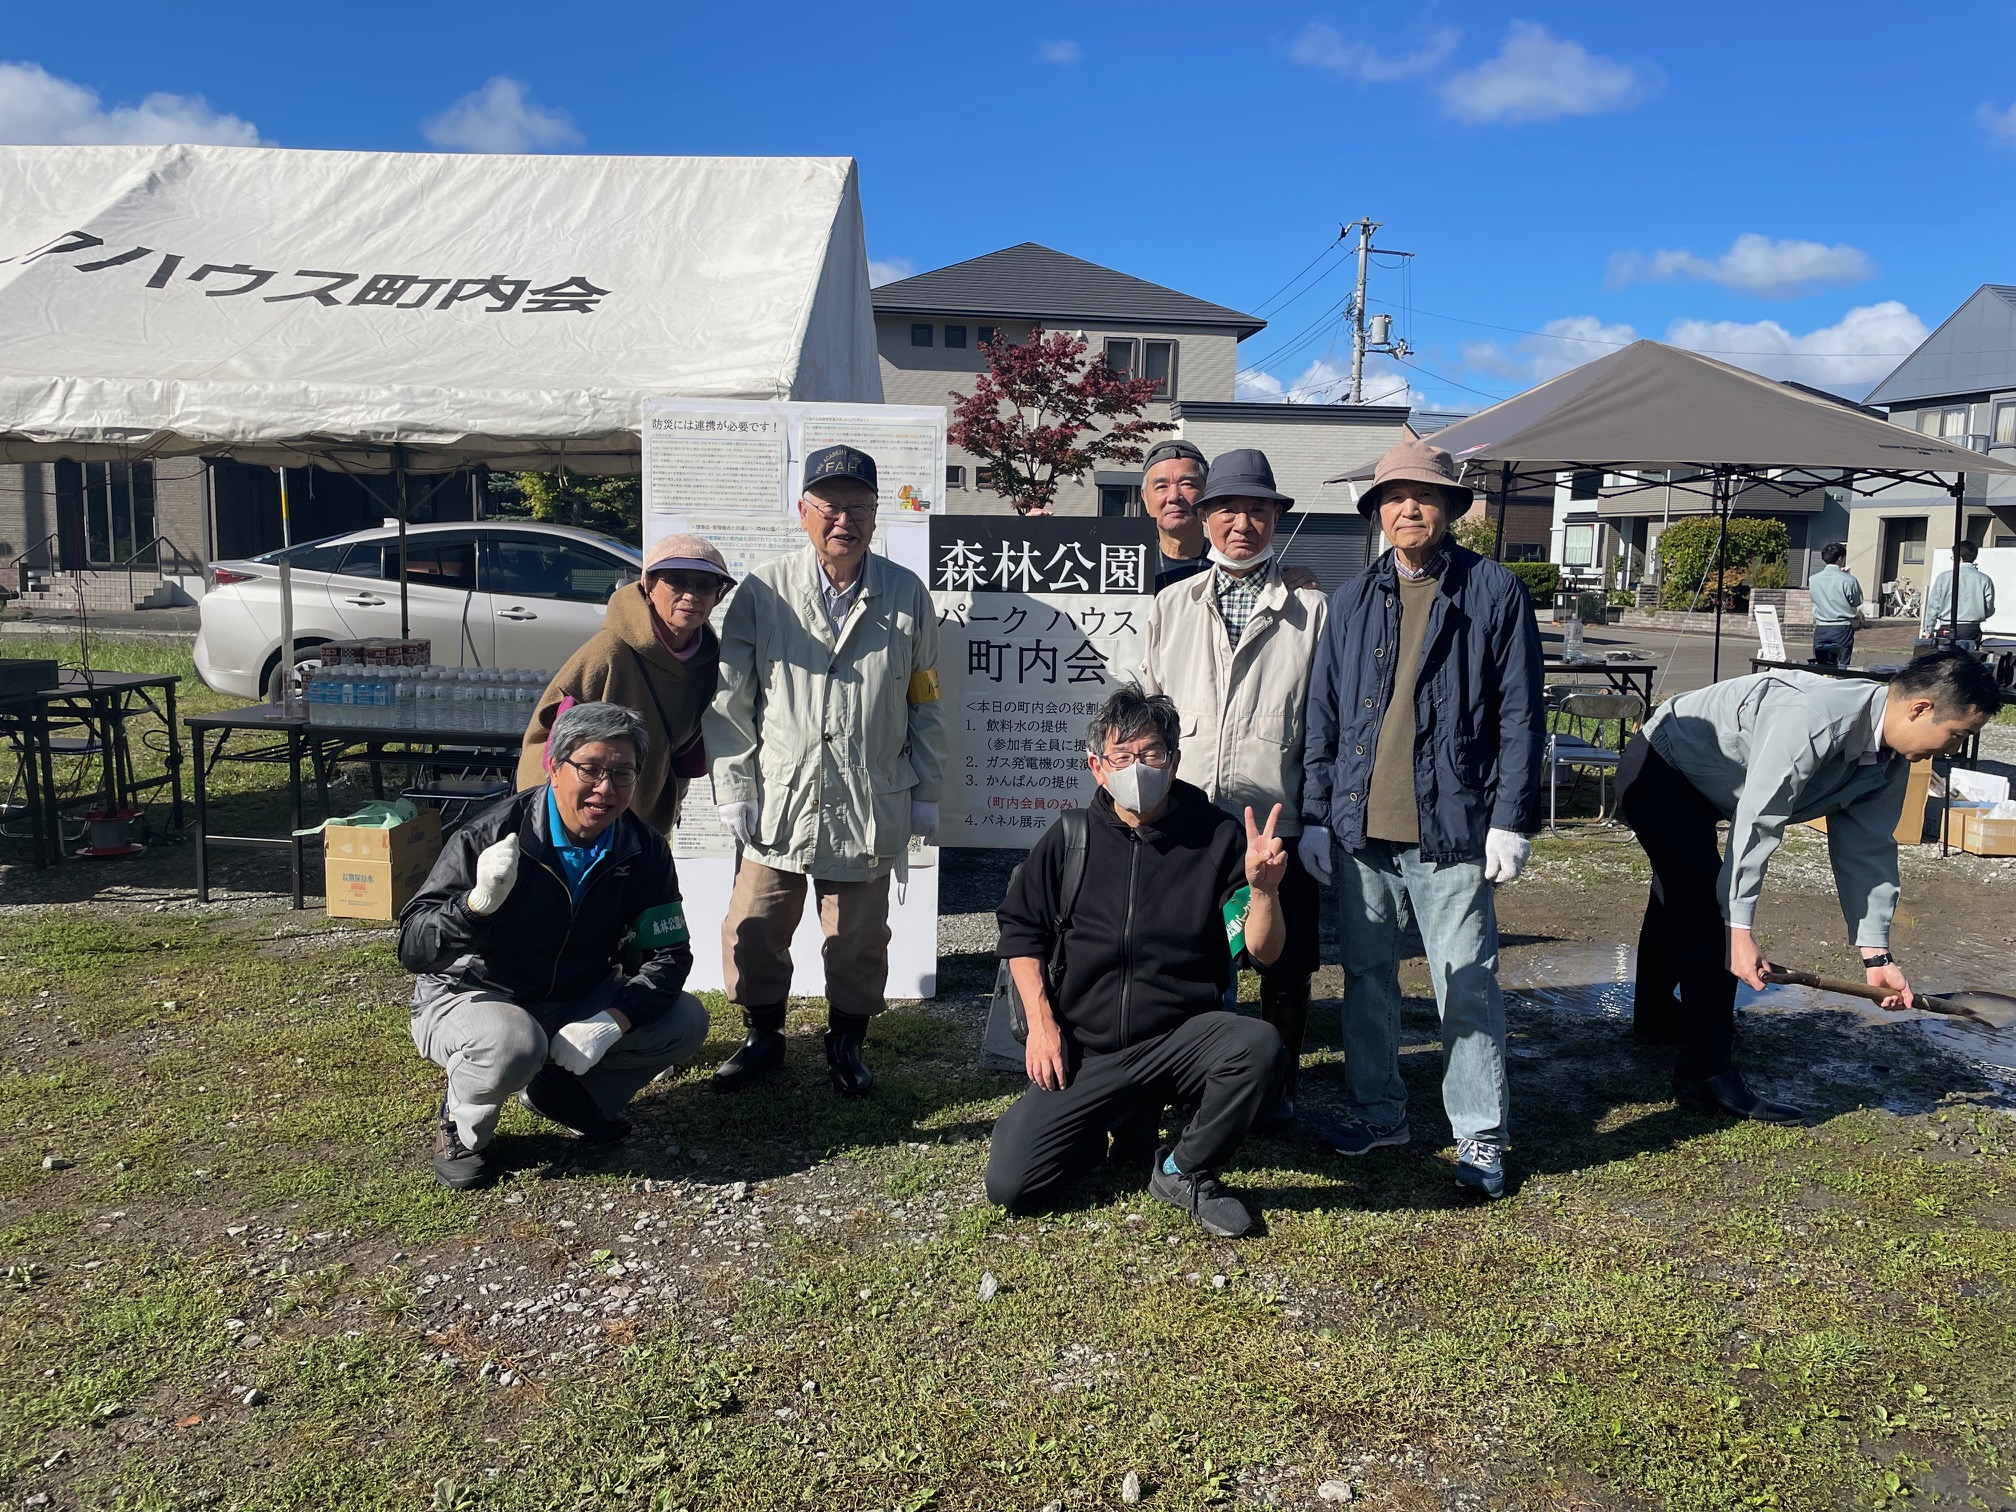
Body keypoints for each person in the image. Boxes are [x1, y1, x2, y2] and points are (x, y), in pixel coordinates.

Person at [1302, 438, 1545, 1200]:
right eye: (1394, 497)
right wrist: (1315, 814)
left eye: (1425, 495)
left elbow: (1520, 716)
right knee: (1368, 977)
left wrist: (1511, 818)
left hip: (1452, 828)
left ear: (1449, 510)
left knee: (1464, 981)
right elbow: (1325, 716)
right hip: (1359, 829)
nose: (1409, 507)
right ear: (1376, 513)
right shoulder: (1350, 600)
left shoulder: (1495, 592)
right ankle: (1380, 1112)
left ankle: (1479, 1135)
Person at [1617, 650, 1999, 1121]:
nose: (1953, 750)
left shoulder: (1891, 757)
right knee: (1706, 912)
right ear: (1919, 708)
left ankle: (1654, 1017)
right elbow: (1760, 821)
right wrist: (1739, 930)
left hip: (1715, 785)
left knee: (1679, 893)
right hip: (1662, 766)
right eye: (1955, 735)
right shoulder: (1814, 719)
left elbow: (1868, 849)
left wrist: (1876, 955)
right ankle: (1706, 1075)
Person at [985, 685, 1291, 1238]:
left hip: (1180, 1040)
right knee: (1013, 1185)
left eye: (1149, 754)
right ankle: (1108, 1123)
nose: (1135, 768)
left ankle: (1182, 1168)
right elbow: (1020, 932)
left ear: (1172, 760)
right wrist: (1041, 1025)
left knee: (1258, 1046)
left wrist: (1263, 892)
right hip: (1088, 1048)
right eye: (1120, 757)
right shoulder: (1069, 839)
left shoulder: (1217, 837)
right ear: (1096, 767)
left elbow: (1262, 952)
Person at [704, 444, 946, 1097]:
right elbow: (731, 699)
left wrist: (926, 788)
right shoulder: (763, 590)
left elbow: (925, 699)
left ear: (875, 515)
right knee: (755, 925)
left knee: (859, 938)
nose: (845, 519)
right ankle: (764, 1035)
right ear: (804, 511)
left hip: (869, 796)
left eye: (859, 507)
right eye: (831, 505)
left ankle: (846, 1044)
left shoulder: (904, 593)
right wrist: (734, 786)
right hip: (781, 793)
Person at [400, 701, 710, 1190]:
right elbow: (414, 948)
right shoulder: (490, 835)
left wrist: (613, 1021)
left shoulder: (642, 849)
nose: (605, 789)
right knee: (512, 1044)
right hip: (478, 994)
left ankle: (567, 1094)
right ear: (554, 766)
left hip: (576, 993)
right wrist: (476, 905)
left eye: (623, 773)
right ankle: (460, 1131)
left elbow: (668, 954)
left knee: (685, 1021)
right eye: (590, 768)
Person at [1140, 447, 1327, 1127]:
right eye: (1227, 508)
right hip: (1189, 818)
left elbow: (1325, 723)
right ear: (1207, 516)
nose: (1241, 522)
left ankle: (1276, 1086)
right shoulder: (1171, 606)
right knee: (1192, 958)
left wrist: (1320, 820)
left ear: (1275, 517)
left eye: (1256, 508)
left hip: (1278, 820)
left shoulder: (1310, 607)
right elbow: (1145, 711)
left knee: (1286, 963)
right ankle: (1196, 1082)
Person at [516, 534, 735, 833]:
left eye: (705, 585)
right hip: (578, 802)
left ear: (718, 596)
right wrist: (552, 819)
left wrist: (672, 807)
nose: (690, 595)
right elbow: (556, 742)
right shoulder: (609, 651)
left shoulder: (712, 662)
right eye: (676, 580)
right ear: (650, 585)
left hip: (645, 805)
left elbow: (688, 756)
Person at [1146, 439, 1318, 594]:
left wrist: (1303, 588)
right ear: (1144, 498)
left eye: (1188, 484)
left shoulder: (1236, 562)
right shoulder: (1130, 565)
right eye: (1161, 486)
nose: (1174, 496)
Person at [1922, 541, 1998, 649]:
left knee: (1944, 662)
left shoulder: (1944, 577)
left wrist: (1929, 628)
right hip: (1971, 629)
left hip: (1946, 626)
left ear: (1959, 558)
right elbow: (1989, 608)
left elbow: (1933, 606)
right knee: (1968, 662)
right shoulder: (1984, 579)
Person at [1807, 542, 1864, 668]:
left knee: (1821, 665)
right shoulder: (1849, 580)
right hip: (1842, 628)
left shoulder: (1813, 579)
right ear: (1840, 558)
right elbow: (1857, 601)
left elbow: (1814, 599)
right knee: (1841, 666)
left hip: (1821, 627)